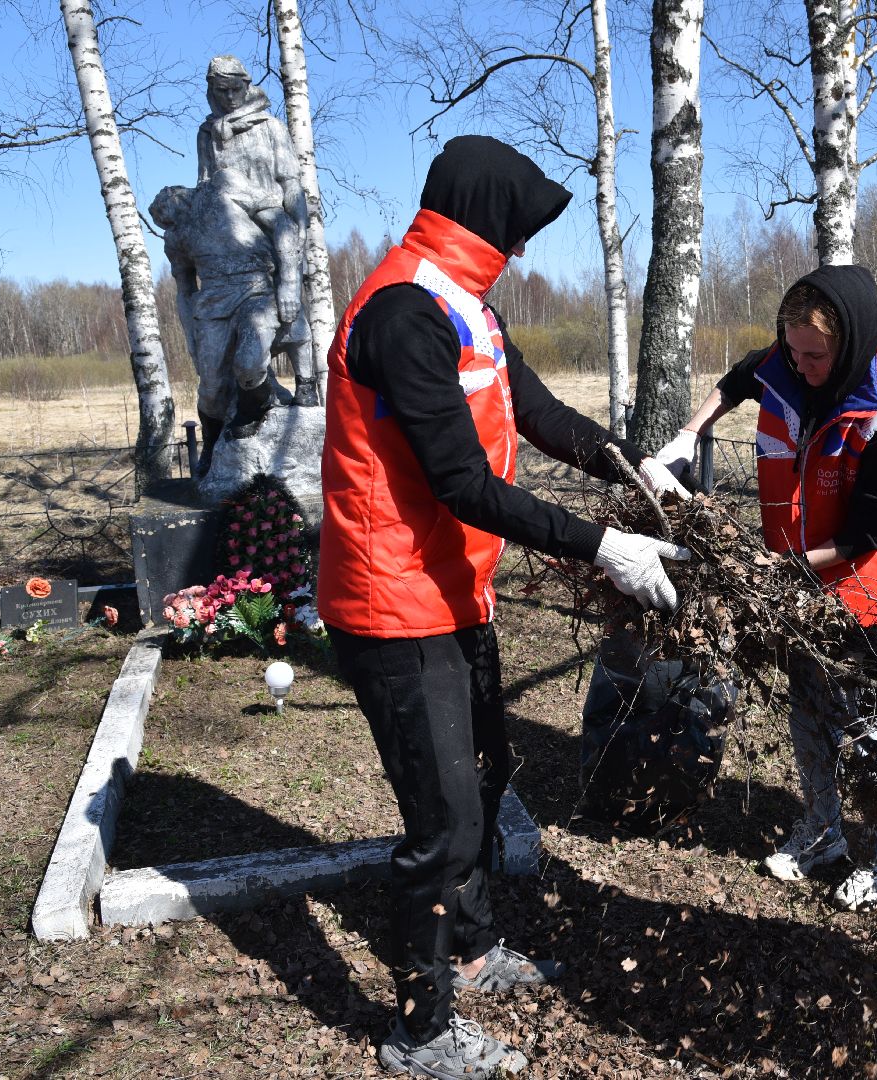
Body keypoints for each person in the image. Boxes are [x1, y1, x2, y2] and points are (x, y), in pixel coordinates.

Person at [317, 135, 689, 1079]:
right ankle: (418, 1029)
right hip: (391, 602)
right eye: (517, 231)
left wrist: (626, 464)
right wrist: (601, 546)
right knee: (441, 823)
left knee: (485, 776)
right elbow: (459, 482)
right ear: (486, 221)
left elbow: (537, 410)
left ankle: (473, 952)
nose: (521, 250)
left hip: (453, 588)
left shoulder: (466, 304)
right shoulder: (404, 312)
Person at [645, 266, 877, 910]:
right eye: (794, 350)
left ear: (850, 346)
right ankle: (823, 832)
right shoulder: (791, 356)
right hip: (802, 574)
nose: (801, 365)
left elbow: (870, 534)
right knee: (808, 706)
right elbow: (737, 379)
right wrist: (686, 435)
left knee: (870, 728)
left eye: (816, 355)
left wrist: (779, 572)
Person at [151, 172, 310, 474]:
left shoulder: (224, 184)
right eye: (162, 223)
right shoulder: (176, 236)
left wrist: (290, 282)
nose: (166, 222)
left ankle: (255, 407)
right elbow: (185, 291)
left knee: (249, 363)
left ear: (176, 194)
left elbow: (283, 226)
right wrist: (190, 336)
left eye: (164, 214)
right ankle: (212, 442)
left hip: (256, 290)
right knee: (211, 390)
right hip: (211, 307)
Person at [197, 55, 314, 425]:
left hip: (274, 228)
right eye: (222, 90)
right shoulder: (208, 134)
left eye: (236, 88)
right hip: (234, 243)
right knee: (236, 336)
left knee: (288, 312)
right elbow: (205, 188)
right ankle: (255, 400)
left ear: (247, 86)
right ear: (211, 91)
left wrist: (300, 231)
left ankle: (306, 385)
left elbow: (291, 182)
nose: (230, 96)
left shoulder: (270, 127)